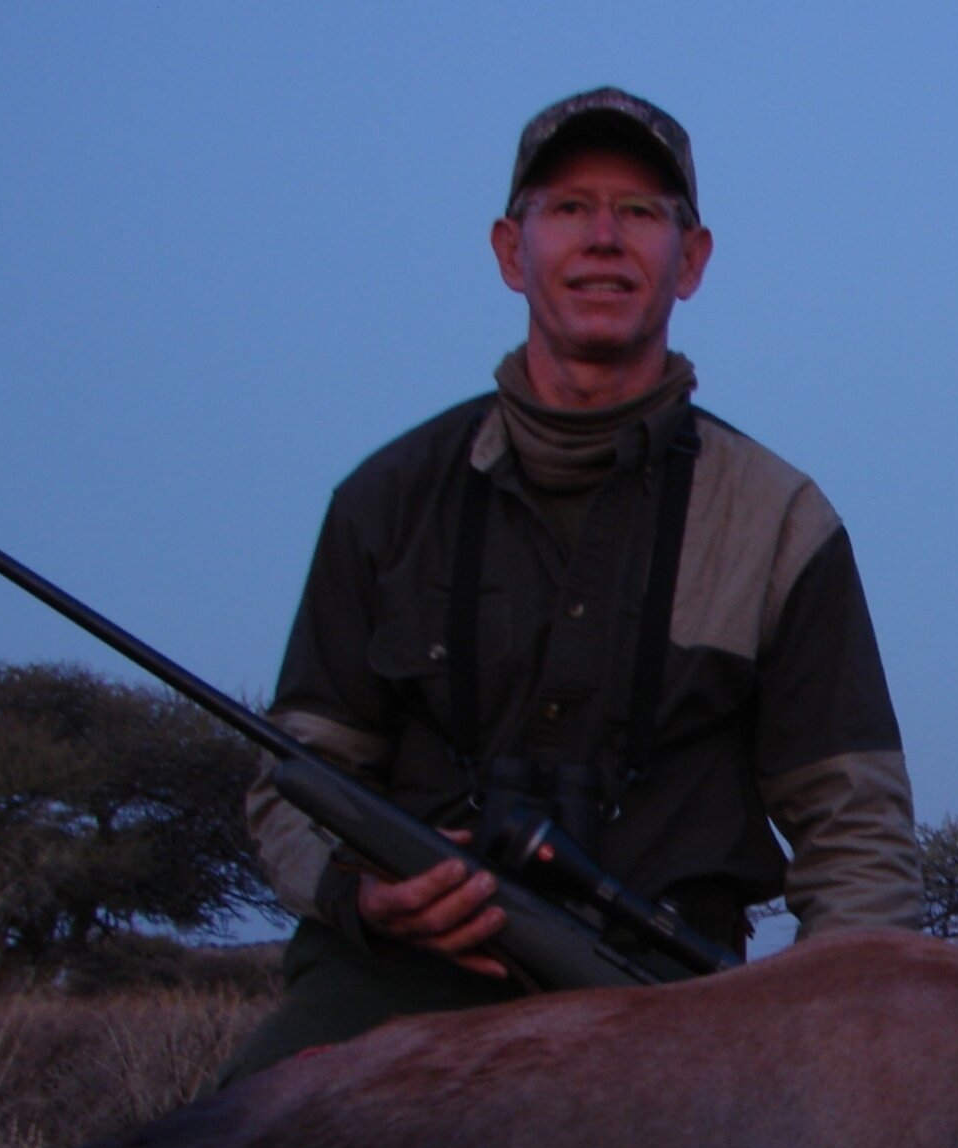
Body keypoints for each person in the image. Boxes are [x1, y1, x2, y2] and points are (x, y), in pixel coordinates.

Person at [218, 88, 921, 1086]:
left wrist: (840, 1042)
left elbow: (856, 827)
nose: (603, 238)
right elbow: (295, 772)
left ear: (693, 257)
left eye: (640, 212)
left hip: (671, 990)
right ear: (512, 250)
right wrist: (359, 895)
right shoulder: (383, 499)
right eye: (568, 208)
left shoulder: (780, 519)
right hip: (401, 976)